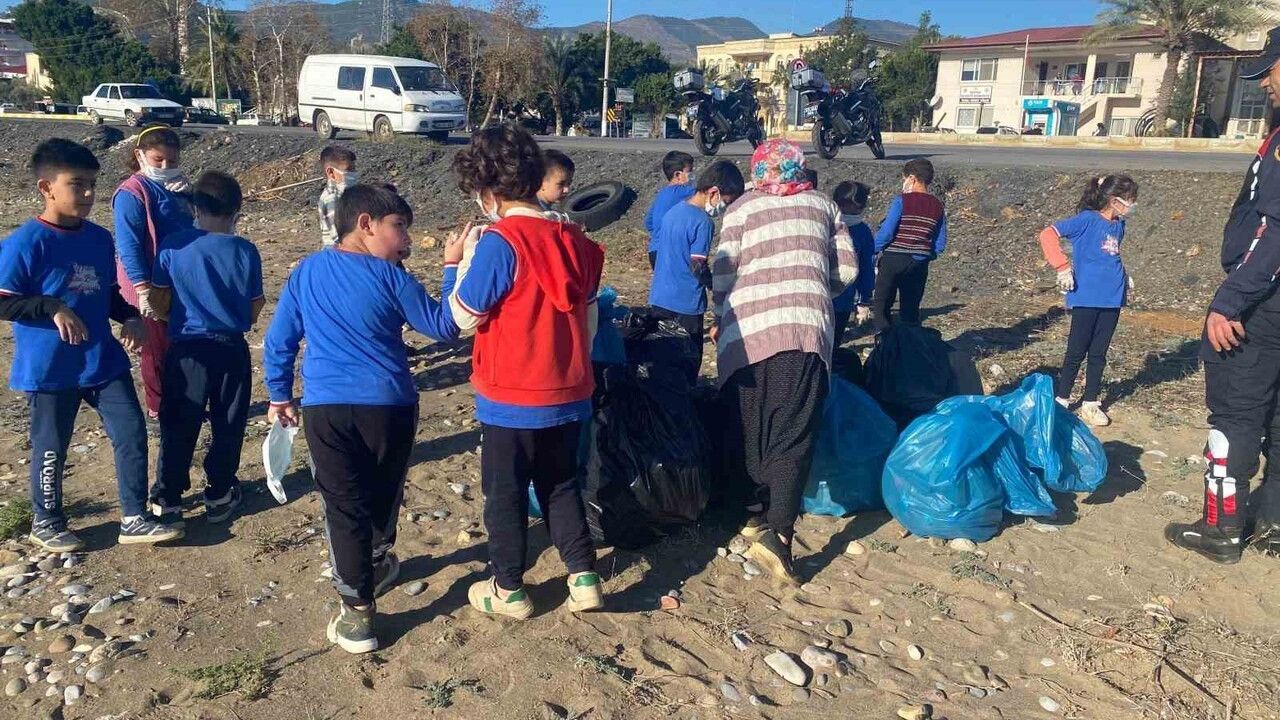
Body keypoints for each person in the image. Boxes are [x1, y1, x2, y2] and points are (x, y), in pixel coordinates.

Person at [264, 184, 462, 653]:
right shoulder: (392, 278)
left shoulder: (306, 272)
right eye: (400, 228)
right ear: (366, 224)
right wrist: (452, 266)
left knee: (344, 504)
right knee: (380, 489)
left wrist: (278, 393)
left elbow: (280, 340)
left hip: (327, 408)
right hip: (389, 406)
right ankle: (372, 563)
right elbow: (444, 327)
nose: (407, 241)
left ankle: (357, 612)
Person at [448, 124, 605, 619]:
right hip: (569, 386)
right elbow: (592, 312)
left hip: (512, 392)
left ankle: (509, 588)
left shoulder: (501, 241)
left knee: (505, 492)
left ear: (489, 192)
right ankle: (584, 577)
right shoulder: (575, 239)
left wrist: (455, 265)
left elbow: (464, 316)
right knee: (560, 483)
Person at [0, 139, 183, 551]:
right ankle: (46, 520)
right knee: (52, 445)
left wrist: (132, 317)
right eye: (76, 185)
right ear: (46, 187)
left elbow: (108, 294)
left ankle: (134, 516)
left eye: (92, 186)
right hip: (51, 368)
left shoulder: (99, 239)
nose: (86, 195)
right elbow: (4, 300)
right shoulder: (26, 242)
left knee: (132, 431)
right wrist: (52, 308)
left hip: (103, 361)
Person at [711, 139, 857, 585]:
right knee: (793, 430)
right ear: (800, 169)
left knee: (750, 426)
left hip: (746, 334)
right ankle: (780, 532)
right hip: (803, 327)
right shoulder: (823, 205)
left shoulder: (740, 210)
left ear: (758, 172)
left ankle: (753, 512)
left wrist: (722, 313)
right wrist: (813, 286)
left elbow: (721, 271)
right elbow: (847, 271)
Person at [1167, 27, 1280, 564]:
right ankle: (1274, 522)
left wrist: (1230, 299)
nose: (1265, 84)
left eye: (1271, 72)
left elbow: (1274, 230)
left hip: (1263, 305)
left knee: (1235, 416)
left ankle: (1221, 530)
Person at [147, 171, 265, 527]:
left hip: (186, 349)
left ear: (195, 207)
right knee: (228, 422)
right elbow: (255, 306)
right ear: (236, 211)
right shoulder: (245, 250)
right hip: (230, 347)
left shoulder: (174, 245)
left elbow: (158, 300)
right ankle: (219, 491)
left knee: (178, 423)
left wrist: (178, 317)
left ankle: (168, 497)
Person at [1038, 174, 1137, 428]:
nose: (1132, 205)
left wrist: (1125, 277)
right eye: (1129, 200)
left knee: (1099, 353)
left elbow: (1110, 257)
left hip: (1113, 297)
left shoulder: (1119, 225)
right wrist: (1061, 266)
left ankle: (1090, 403)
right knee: (1075, 352)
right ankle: (1062, 400)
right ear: (1114, 200)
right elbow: (1048, 235)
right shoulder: (1086, 220)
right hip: (1087, 296)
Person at [113, 125, 194, 422]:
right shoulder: (131, 193)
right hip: (149, 283)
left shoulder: (178, 187)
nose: (165, 167)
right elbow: (129, 246)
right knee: (156, 350)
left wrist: (191, 198)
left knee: (180, 345)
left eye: (172, 162)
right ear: (140, 155)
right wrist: (143, 289)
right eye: (158, 159)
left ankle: (183, 400)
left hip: (179, 281)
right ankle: (158, 408)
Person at [648, 160, 745, 383]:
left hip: (660, 297)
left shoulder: (674, 212)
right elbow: (697, 267)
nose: (723, 209)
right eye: (726, 202)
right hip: (687, 304)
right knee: (687, 365)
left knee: (662, 362)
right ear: (714, 193)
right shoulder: (703, 222)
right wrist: (718, 286)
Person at [871, 158, 948, 332]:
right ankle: (909, 346)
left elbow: (887, 232)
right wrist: (926, 255)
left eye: (904, 178)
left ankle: (884, 344)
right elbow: (940, 242)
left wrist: (872, 249)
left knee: (882, 305)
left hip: (893, 259)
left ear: (912, 178)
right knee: (911, 309)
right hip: (919, 263)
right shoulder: (937, 206)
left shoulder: (901, 201)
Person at [831, 180, 877, 343]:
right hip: (835, 296)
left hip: (838, 299)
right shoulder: (861, 231)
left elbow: (866, 267)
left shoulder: (824, 222)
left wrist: (865, 298)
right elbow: (866, 267)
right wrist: (864, 298)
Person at [644, 151, 696, 269]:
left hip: (654, 251)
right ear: (678, 175)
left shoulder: (662, 194)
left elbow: (649, 222)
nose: (692, 175)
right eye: (689, 172)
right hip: (669, 252)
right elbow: (705, 194)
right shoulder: (682, 192)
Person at [318, 145, 358, 247]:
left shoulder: (346, 194)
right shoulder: (331, 198)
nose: (353, 174)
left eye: (354, 169)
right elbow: (337, 235)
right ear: (331, 173)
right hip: (336, 250)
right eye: (349, 170)